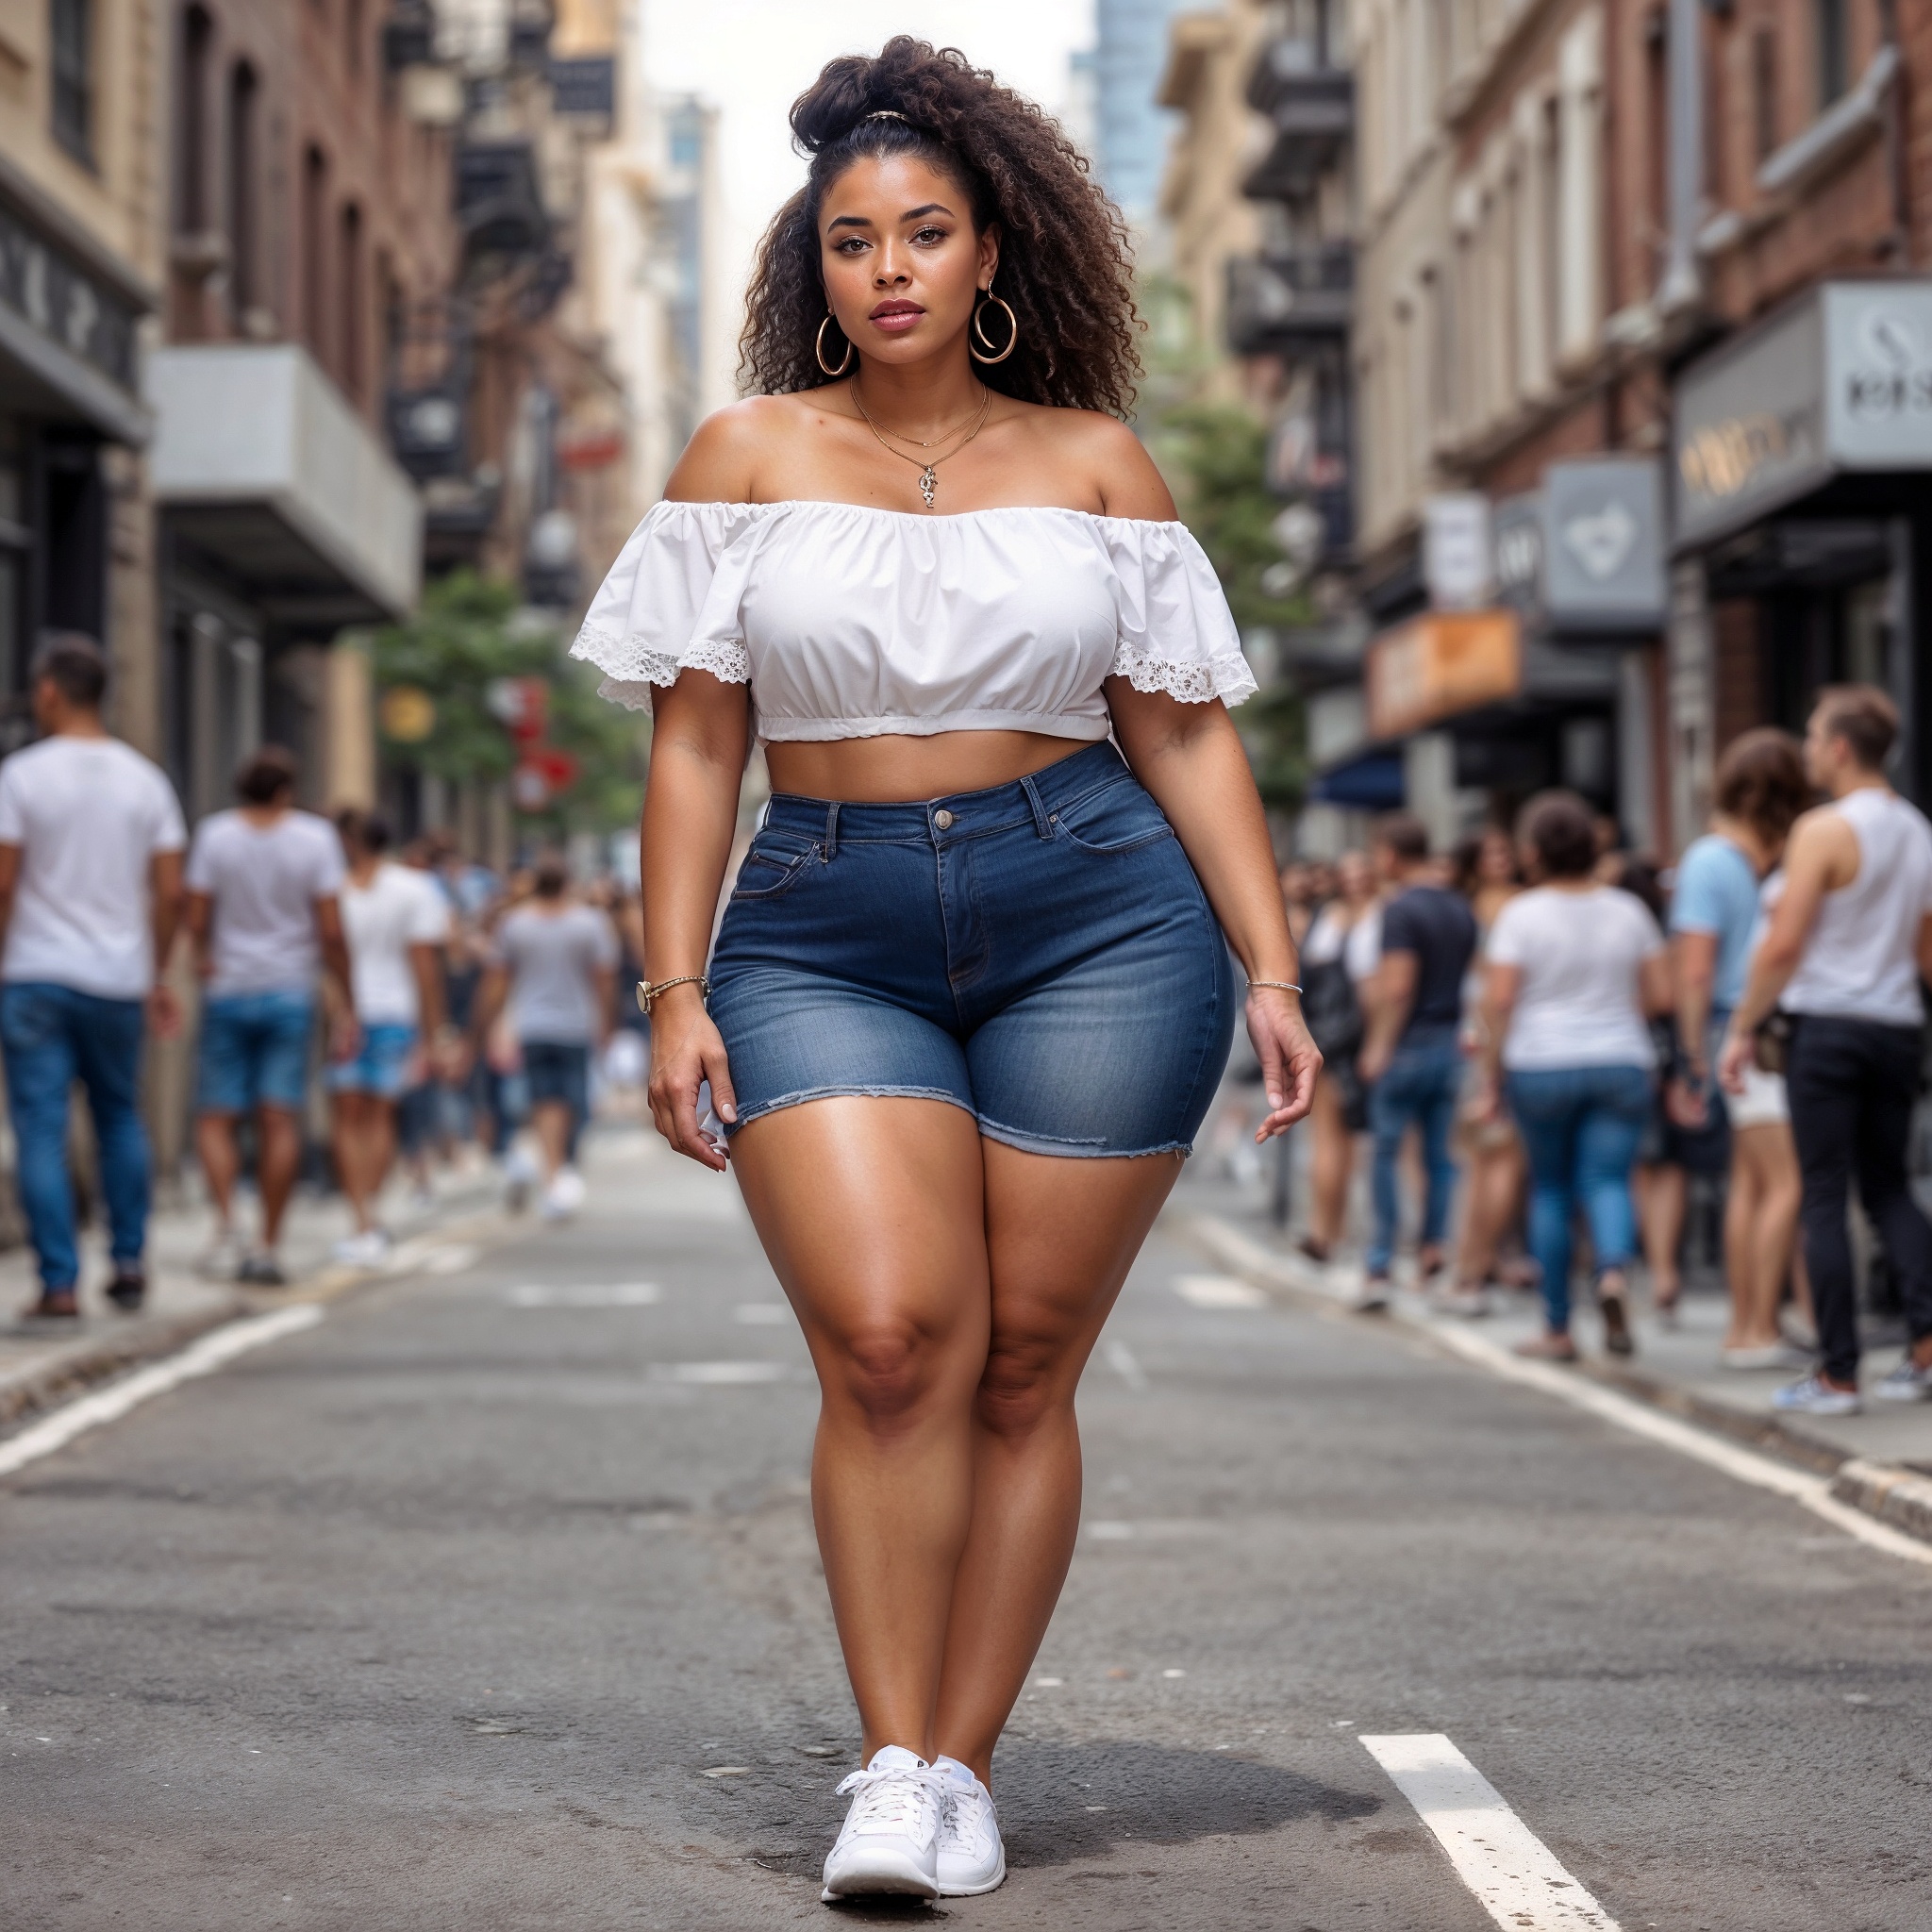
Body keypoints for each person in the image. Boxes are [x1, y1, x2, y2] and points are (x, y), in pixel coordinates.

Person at [570, 40, 1320, 1905]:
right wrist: (671, 987)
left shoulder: (1092, 462)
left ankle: (962, 1767)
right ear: (808, 264)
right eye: (848, 238)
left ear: (994, 254)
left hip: (1099, 908)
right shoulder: (742, 456)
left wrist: (1278, 966)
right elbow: (692, 745)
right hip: (820, 918)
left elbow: (1184, 734)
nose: (887, 266)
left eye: (924, 231)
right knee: (895, 1338)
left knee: (1026, 1364)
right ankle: (888, 1762)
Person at [1720, 686, 1932, 1416]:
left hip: (1828, 1029)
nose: (1809, 750)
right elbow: (1926, 946)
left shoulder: (1824, 829)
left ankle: (1838, 1375)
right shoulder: (1915, 829)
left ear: (1840, 748)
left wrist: (1743, 1026)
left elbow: (1784, 942)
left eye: (1813, 737)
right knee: (1890, 1188)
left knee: (1822, 1193)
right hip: (1896, 1027)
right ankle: (1927, 1348)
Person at [0, 635, 186, 1320]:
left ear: (49, 691)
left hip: (35, 973)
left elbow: (4, 881)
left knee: (41, 1129)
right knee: (118, 1118)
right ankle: (130, 1260)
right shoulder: (147, 781)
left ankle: (57, 1281)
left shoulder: (22, 776)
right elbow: (170, 893)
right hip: (117, 976)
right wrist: (157, 970)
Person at [1476, 791, 1671, 1361]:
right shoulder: (1628, 911)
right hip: (1620, 1059)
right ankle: (1611, 1273)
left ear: (1533, 851)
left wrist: (1492, 1077)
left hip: (1540, 1063)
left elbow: (1501, 1002)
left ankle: (1558, 1327)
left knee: (1553, 1191)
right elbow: (1659, 994)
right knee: (1609, 1181)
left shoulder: (1520, 914)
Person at [184, 746, 350, 1286]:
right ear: (285, 791)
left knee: (216, 1116)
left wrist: (200, 960)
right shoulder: (314, 838)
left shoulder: (214, 836)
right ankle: (267, 1244)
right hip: (288, 991)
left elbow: (198, 914)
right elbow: (329, 928)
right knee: (280, 1117)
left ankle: (228, 1218)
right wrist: (345, 994)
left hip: (228, 988)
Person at [1673, 730, 1811, 1365]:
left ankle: (1748, 1325)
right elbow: (1696, 970)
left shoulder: (1717, 859)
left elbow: (1696, 967)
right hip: (1753, 1032)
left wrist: (1693, 1051)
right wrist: (1694, 1054)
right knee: (1783, 1182)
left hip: (1744, 1029)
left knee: (1755, 1183)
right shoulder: (1729, 859)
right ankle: (1756, 1329)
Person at [1356, 812, 1476, 1309]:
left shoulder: (1400, 909)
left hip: (1409, 1045)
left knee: (1384, 1151)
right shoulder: (1460, 908)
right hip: (1450, 1043)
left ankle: (1381, 1262)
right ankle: (1434, 1246)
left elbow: (1398, 985)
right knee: (1440, 1157)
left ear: (1389, 854)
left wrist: (1379, 1045)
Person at [328, 810, 449, 1266]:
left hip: (348, 1015)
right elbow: (425, 966)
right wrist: (434, 1029)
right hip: (396, 1014)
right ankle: (370, 1214)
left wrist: (338, 1010)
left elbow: (325, 957)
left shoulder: (334, 891)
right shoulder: (414, 889)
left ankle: (360, 1216)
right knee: (379, 1117)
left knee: (346, 1117)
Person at [469, 854, 618, 1219]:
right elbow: (604, 979)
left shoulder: (515, 923)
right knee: (569, 1101)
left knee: (543, 1101)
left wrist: (487, 1026)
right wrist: (607, 1024)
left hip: (531, 1025)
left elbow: (497, 982)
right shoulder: (589, 923)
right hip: (575, 1025)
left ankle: (549, 1171)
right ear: (567, 882)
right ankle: (556, 1172)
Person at [1446, 828, 1529, 1309]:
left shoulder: (1514, 904)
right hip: (1483, 1030)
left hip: (1495, 1028)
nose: (1501, 856)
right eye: (1492, 849)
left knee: (1490, 1155)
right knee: (1488, 1155)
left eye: (1506, 848)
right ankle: (1476, 1262)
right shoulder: (1477, 906)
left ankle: (1477, 1263)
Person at [1296, 849, 1378, 1263]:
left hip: (1336, 1038)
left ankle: (1326, 1231)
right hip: (1356, 1039)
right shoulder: (1374, 917)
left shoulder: (1330, 920)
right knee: (1341, 1143)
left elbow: (1307, 979)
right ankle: (1328, 1230)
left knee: (1333, 1141)